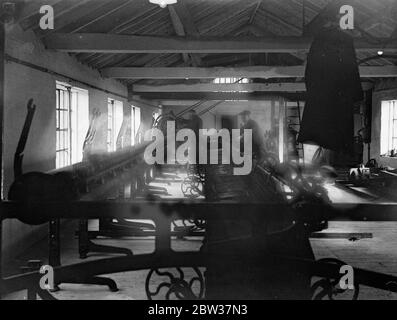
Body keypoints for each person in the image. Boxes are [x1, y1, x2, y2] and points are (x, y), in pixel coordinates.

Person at [297, 10, 363, 165]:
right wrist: (355, 94)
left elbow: (311, 72)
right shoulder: (339, 41)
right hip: (332, 95)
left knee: (323, 131)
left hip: (327, 94)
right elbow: (351, 69)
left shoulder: (326, 41)